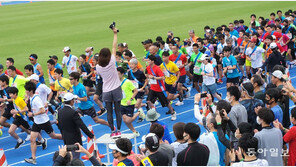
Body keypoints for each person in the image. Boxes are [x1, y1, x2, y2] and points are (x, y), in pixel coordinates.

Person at [24, 81, 62, 165]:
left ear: (30, 91)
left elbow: (43, 110)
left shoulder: (36, 99)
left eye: (26, 90)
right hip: (37, 122)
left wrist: (33, 114)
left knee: (54, 136)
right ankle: (33, 158)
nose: (25, 91)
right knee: (32, 139)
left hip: (44, 121)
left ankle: (69, 137)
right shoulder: (31, 97)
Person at [96, 27, 123, 137]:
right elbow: (114, 45)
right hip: (116, 88)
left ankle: (112, 131)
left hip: (106, 90)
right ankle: (119, 130)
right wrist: (115, 34)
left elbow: (100, 76)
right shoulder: (112, 60)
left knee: (109, 112)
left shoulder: (98, 66)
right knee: (118, 111)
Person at [57, 92, 95, 159]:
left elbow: (59, 125)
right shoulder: (73, 112)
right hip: (75, 140)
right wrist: (91, 135)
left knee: (69, 158)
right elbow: (82, 125)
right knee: (75, 159)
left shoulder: (60, 111)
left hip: (66, 138)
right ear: (71, 101)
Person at [145, 55, 176, 121]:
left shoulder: (157, 68)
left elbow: (163, 77)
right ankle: (153, 113)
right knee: (148, 101)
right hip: (153, 88)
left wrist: (154, 77)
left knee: (166, 103)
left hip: (160, 88)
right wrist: (148, 76)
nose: (147, 61)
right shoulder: (148, 68)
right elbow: (147, 74)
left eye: (149, 60)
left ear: (152, 61)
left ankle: (173, 112)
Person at [117, 67, 141, 137]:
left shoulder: (127, 82)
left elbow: (136, 90)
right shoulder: (116, 82)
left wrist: (130, 99)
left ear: (122, 74)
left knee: (128, 121)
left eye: (118, 74)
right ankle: (135, 131)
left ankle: (139, 112)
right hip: (121, 103)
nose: (117, 76)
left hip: (129, 103)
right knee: (125, 120)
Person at [127, 58, 146, 123]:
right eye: (130, 64)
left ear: (136, 65)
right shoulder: (129, 72)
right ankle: (141, 115)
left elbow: (146, 80)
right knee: (137, 105)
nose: (131, 65)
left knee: (137, 105)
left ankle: (142, 115)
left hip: (140, 90)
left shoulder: (140, 73)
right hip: (134, 91)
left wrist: (143, 87)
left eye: (132, 64)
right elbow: (129, 80)